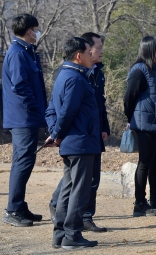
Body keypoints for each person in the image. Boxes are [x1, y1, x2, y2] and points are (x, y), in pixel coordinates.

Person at [48, 32, 110, 233]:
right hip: (79, 141)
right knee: (78, 190)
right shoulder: (75, 78)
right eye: (89, 50)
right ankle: (72, 234)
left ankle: (60, 233)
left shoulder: (69, 74)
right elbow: (67, 111)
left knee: (69, 187)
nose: (93, 53)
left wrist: (57, 133)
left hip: (76, 141)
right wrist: (57, 133)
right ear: (79, 55)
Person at [1, 13, 47, 227]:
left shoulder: (26, 52)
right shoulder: (18, 53)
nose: (38, 33)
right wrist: (37, 109)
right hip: (23, 117)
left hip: (27, 116)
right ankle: (12, 210)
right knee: (22, 162)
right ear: (29, 31)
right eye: (36, 29)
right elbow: (20, 86)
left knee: (24, 161)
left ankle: (18, 205)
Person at [124, 36, 156, 217]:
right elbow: (129, 98)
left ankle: (155, 201)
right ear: (151, 50)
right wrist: (131, 118)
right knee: (144, 163)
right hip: (144, 125)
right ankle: (139, 203)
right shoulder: (139, 70)